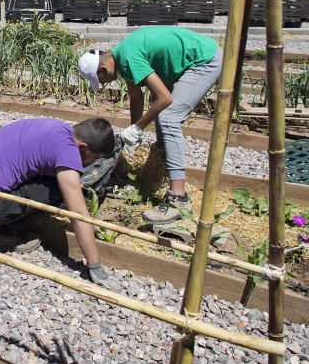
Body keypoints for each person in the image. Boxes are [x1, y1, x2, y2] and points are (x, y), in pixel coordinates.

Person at [0, 117, 120, 291]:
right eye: (95, 158)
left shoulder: (54, 126)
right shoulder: (68, 152)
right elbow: (78, 215)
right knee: (60, 189)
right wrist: (95, 267)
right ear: (83, 147)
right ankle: (3, 236)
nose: (93, 163)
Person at [77, 27, 223, 226]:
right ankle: (162, 168)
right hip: (192, 59)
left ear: (103, 70)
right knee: (161, 111)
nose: (103, 84)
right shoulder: (122, 56)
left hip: (203, 60)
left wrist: (137, 128)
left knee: (168, 117)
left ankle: (178, 199)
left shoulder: (128, 58)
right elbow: (136, 98)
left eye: (100, 80)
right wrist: (134, 135)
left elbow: (166, 98)